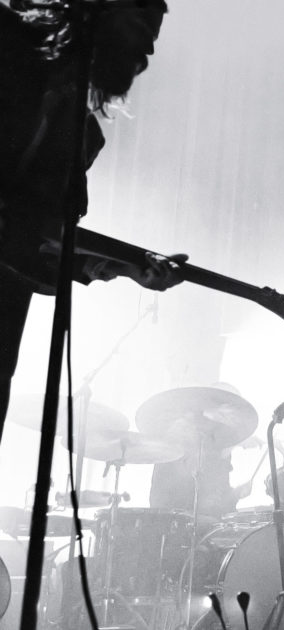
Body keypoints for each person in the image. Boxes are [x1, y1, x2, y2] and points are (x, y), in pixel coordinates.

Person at [0, 0, 183, 434]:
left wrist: (125, 267)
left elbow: (38, 246)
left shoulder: (84, 136)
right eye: (143, 26)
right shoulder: (6, 42)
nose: (148, 52)